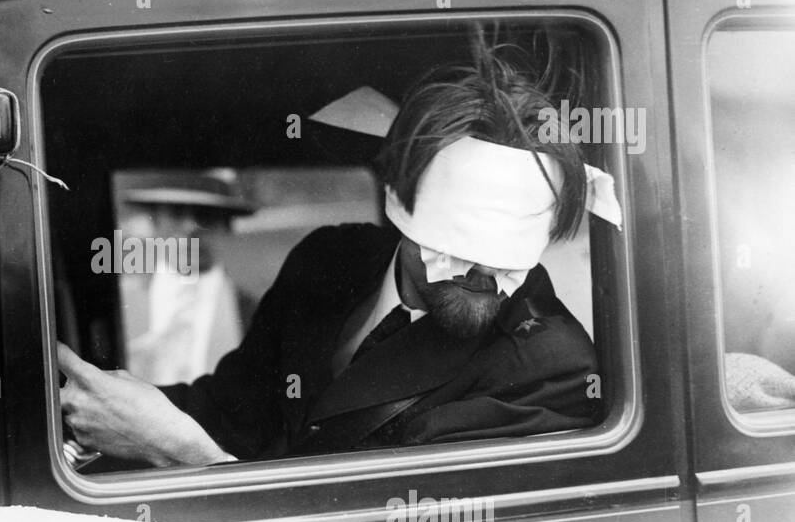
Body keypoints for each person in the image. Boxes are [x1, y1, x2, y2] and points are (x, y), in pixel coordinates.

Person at [58, 45, 621, 468]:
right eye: (459, 241)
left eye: (506, 253)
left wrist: (174, 448)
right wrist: (108, 407)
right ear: (398, 198)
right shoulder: (328, 264)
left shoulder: (554, 374)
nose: (481, 272)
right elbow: (234, 412)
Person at [121, 170, 258, 385]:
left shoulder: (252, 313)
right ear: (154, 221)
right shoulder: (121, 304)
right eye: (176, 213)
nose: (190, 227)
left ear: (227, 226)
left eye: (205, 215)